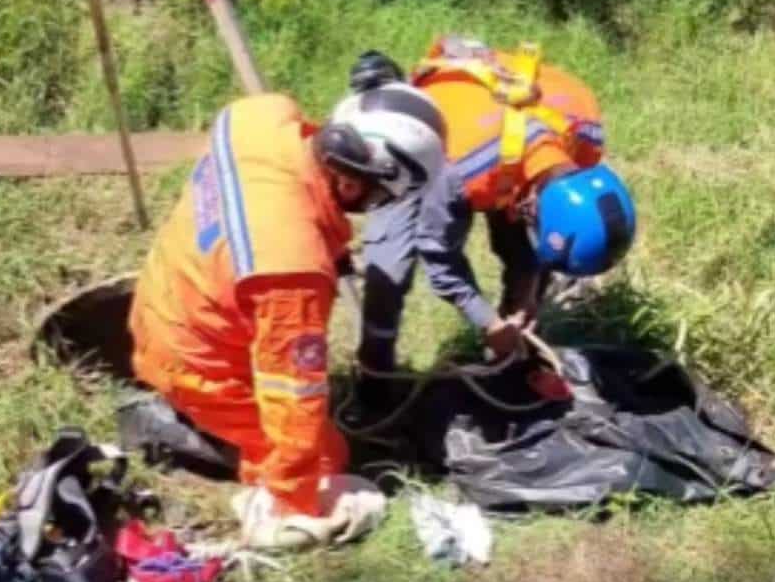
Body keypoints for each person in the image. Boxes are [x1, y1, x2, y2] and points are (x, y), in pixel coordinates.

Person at [127, 83, 446, 517]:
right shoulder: (293, 273)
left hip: (165, 298)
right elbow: (292, 396)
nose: (376, 206)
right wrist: (295, 498)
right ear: (350, 181)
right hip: (191, 360)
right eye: (379, 196)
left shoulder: (257, 118)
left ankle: (200, 415)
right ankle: (179, 432)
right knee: (326, 456)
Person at [353, 35, 637, 378]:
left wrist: (527, 295)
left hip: (504, 150)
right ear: (531, 206)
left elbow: (542, 241)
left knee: (523, 256)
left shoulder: (585, 132)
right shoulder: (454, 168)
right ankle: (374, 377)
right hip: (440, 138)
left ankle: (510, 356)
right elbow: (440, 257)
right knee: (390, 267)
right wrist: (488, 323)